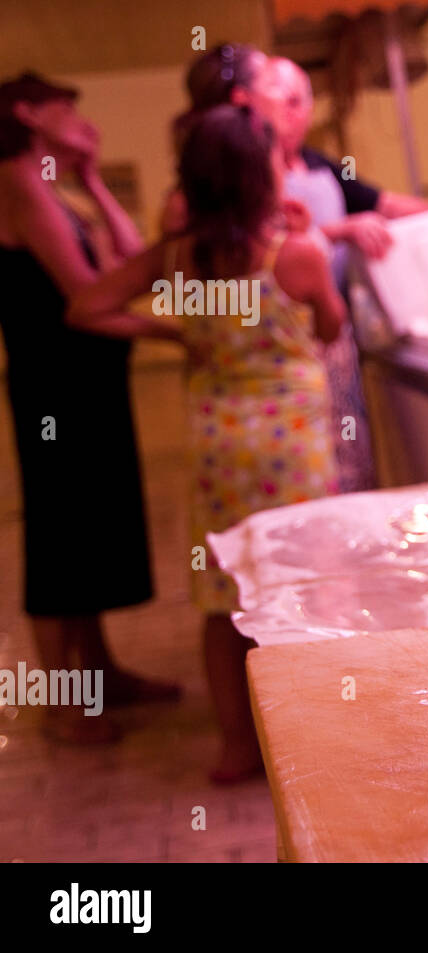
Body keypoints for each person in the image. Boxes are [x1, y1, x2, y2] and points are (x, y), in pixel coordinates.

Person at [69, 105, 344, 783]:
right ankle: (306, 739)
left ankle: (235, 746)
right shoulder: (295, 255)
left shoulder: (177, 259)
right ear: (260, 175)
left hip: (220, 445)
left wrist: (173, 332)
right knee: (299, 593)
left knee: (225, 599)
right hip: (292, 449)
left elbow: (86, 307)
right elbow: (333, 328)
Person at [0, 73, 182, 744]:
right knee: (57, 539)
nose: (79, 117)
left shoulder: (54, 186)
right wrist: (176, 331)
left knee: (91, 533)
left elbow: (132, 262)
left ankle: (101, 673)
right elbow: (85, 295)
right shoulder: (16, 181)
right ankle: (61, 702)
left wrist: (97, 182)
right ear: (27, 113)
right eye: (64, 106)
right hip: (55, 390)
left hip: (89, 385)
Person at [259, 56, 428, 492]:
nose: (293, 112)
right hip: (283, 343)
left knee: (349, 454)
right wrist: (341, 230)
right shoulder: (250, 177)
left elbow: (385, 204)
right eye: (282, 100)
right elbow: (261, 244)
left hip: (337, 333)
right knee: (306, 468)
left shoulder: (321, 166)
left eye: (300, 101)